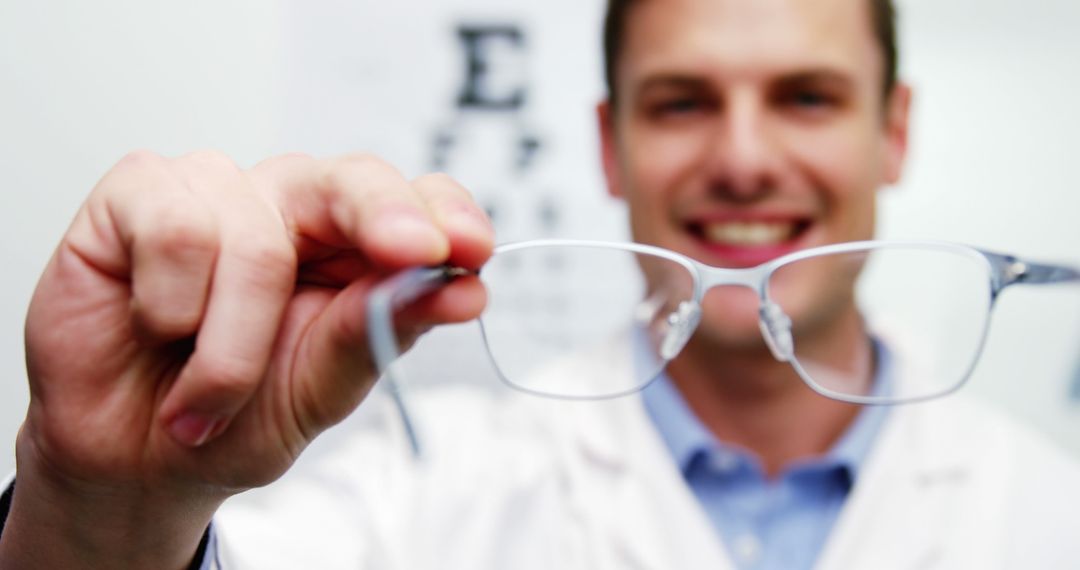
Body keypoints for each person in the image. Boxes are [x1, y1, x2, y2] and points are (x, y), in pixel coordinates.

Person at [2, 0, 1079, 568]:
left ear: (893, 134)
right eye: (681, 102)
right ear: (609, 149)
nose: (745, 158)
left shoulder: (1049, 518)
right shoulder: (421, 504)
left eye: (806, 97)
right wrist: (107, 512)